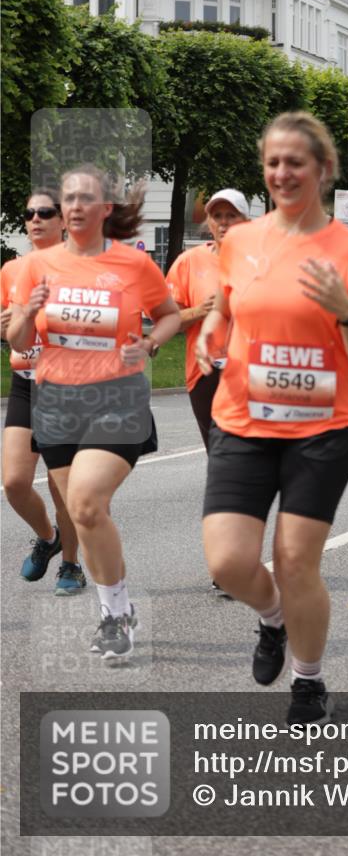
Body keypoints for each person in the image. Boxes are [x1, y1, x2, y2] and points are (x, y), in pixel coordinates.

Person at [196, 112, 348, 726]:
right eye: (273, 163)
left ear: (322, 170)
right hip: (242, 418)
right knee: (227, 563)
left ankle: (308, 682)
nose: (282, 173)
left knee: (298, 559)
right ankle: (273, 617)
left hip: (323, 426)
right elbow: (226, 306)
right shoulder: (241, 242)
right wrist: (208, 331)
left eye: (295, 162)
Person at [9, 164, 181, 659]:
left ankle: (114, 614)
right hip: (57, 403)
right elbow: (22, 340)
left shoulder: (131, 264)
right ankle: (117, 610)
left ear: (107, 208)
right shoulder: (35, 267)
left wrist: (149, 342)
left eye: (87, 198)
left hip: (117, 400)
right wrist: (25, 313)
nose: (76, 206)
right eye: (69, 199)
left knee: (84, 503)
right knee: (86, 517)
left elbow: (168, 313)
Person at [166, 187, 250, 599]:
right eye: (217, 215)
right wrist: (199, 312)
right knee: (224, 467)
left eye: (231, 215)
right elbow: (164, 319)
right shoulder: (189, 263)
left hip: (254, 376)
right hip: (206, 377)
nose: (222, 222)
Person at [1, 189, 84, 594]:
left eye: (45, 212)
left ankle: (71, 564)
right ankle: (49, 537)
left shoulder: (78, 268)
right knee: (15, 482)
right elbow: (8, 331)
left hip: (65, 388)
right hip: (25, 385)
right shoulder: (11, 270)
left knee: (59, 485)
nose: (35, 218)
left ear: (63, 221)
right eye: (30, 212)